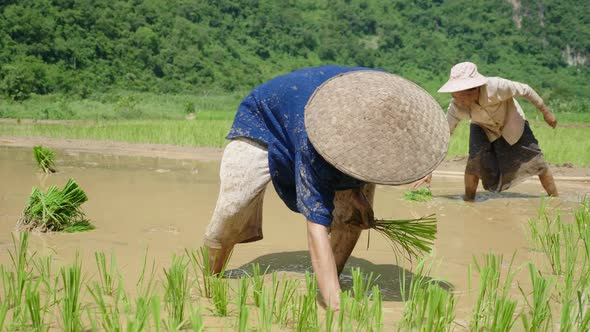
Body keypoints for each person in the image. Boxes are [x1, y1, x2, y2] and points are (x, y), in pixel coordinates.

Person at [202, 65, 449, 310]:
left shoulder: (384, 98)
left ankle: (332, 280)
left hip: (336, 126)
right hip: (264, 121)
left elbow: (370, 152)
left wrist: (356, 192)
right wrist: (336, 310)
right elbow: (316, 226)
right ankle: (211, 279)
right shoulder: (314, 144)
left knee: (353, 218)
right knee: (232, 210)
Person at [415, 62, 558, 201]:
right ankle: (468, 200)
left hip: (511, 122)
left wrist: (546, 112)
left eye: (458, 94)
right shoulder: (456, 106)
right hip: (482, 126)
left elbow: (525, 90)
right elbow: (444, 135)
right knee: (474, 162)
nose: (455, 99)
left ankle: (555, 198)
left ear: (473, 89)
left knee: (536, 160)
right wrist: (429, 170)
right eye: (453, 95)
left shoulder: (496, 86)